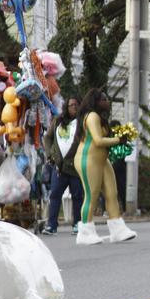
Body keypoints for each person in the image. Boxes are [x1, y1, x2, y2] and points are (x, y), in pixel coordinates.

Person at [73, 88, 136, 245]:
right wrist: (118, 140)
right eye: (104, 100)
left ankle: (118, 229)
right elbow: (98, 141)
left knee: (111, 193)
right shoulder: (92, 116)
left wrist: (120, 139)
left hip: (102, 160)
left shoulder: (100, 118)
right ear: (96, 102)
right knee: (91, 194)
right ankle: (85, 232)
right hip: (88, 160)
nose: (107, 102)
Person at [43, 96, 84, 235]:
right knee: (55, 195)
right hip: (59, 167)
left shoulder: (82, 123)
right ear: (66, 107)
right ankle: (51, 225)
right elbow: (47, 137)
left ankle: (78, 224)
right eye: (71, 105)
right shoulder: (57, 121)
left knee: (78, 196)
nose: (74, 107)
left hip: (75, 167)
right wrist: (50, 153)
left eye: (76, 105)